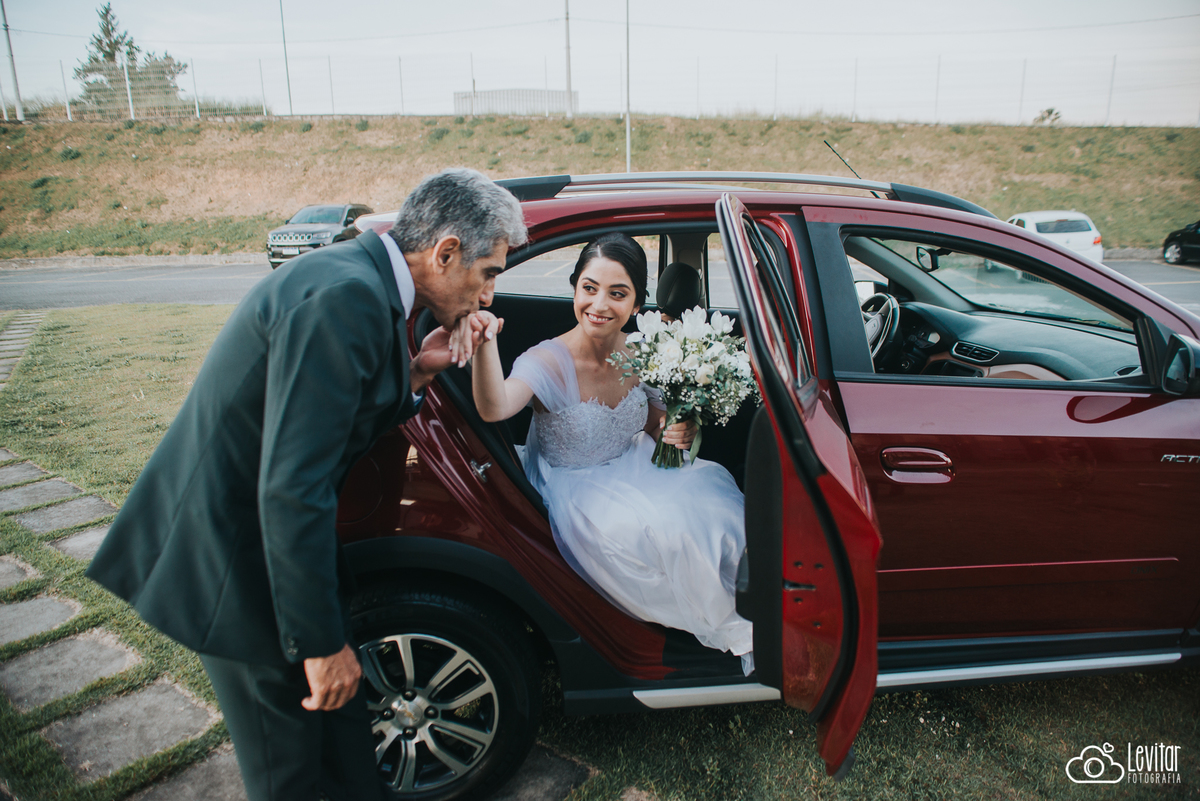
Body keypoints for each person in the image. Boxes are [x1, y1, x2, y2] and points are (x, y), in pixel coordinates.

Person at [86, 168, 527, 801]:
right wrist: (320, 646)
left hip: (272, 565)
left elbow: (331, 409)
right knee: (291, 777)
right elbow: (293, 486)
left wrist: (417, 372)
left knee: (345, 762)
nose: (487, 296)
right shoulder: (345, 298)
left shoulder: (358, 281)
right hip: (240, 572)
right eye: (489, 273)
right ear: (446, 251)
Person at [468, 233, 754, 673]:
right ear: (575, 287)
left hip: (633, 463)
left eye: (617, 294)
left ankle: (754, 603)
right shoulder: (547, 362)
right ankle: (700, 628)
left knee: (715, 508)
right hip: (576, 484)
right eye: (589, 288)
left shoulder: (642, 353)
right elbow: (494, 407)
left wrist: (680, 426)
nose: (599, 304)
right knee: (667, 530)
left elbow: (656, 423)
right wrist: (485, 342)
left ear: (637, 304)